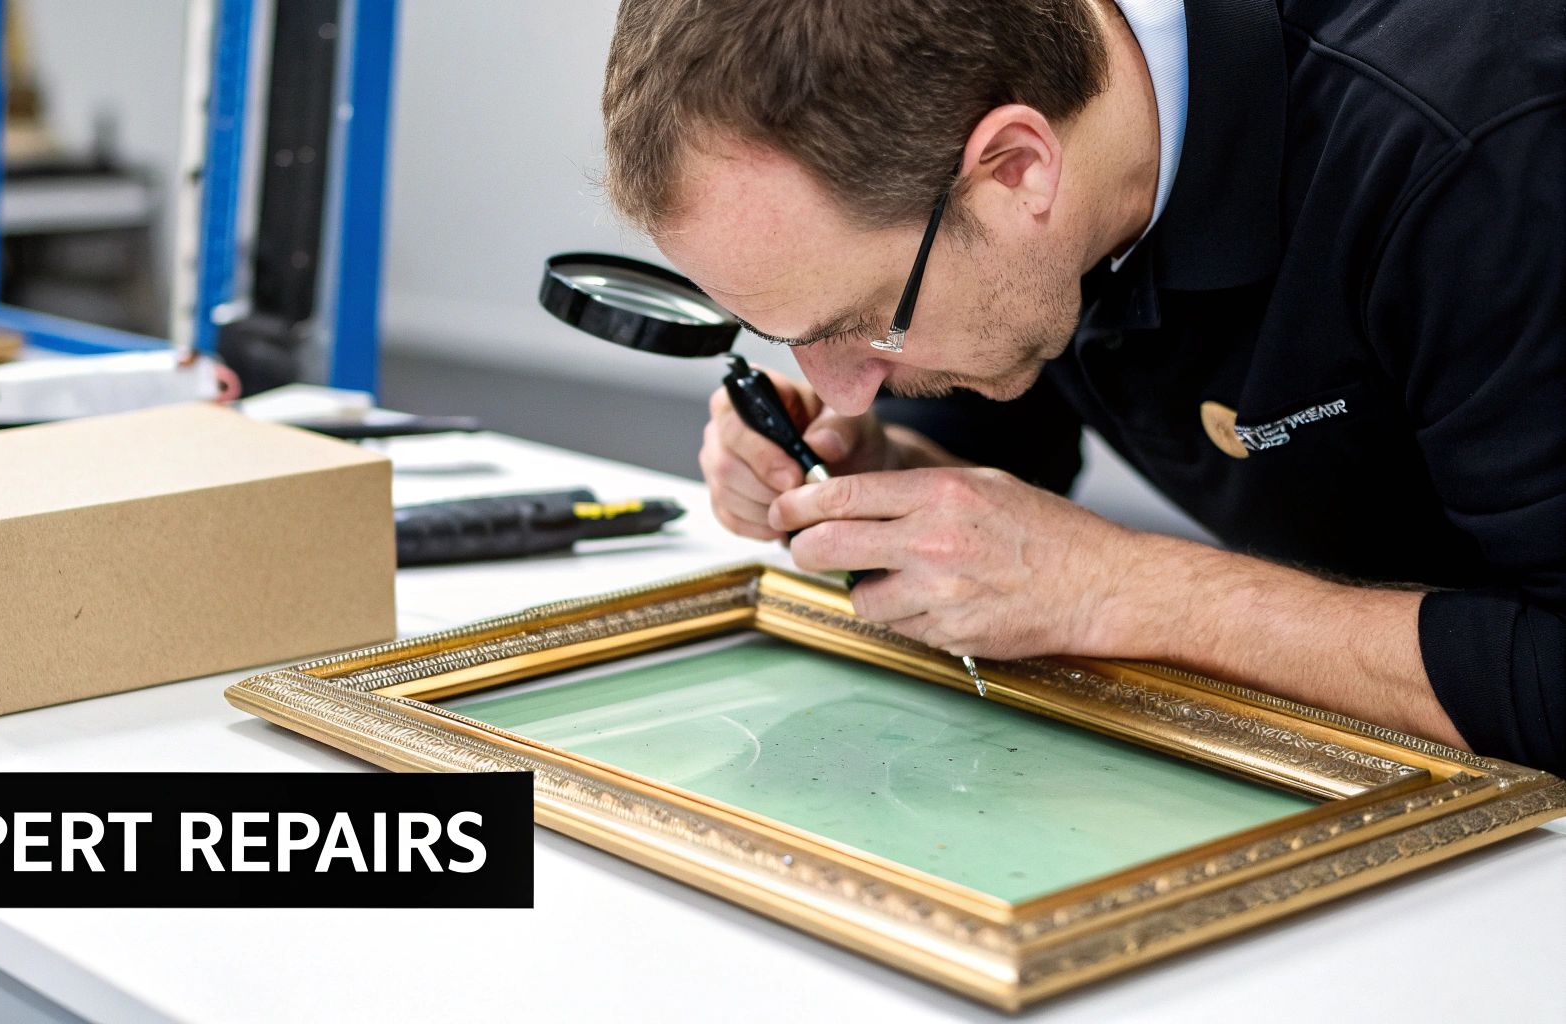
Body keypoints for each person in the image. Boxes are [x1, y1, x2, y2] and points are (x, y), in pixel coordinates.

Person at [597, 0, 1565, 772]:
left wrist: (1120, 588)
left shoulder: (1475, 155)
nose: (843, 391)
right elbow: (1004, 446)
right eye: (789, 337)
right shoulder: (1032, 134)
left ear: (1019, 168)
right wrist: (888, 476)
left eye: (857, 322)